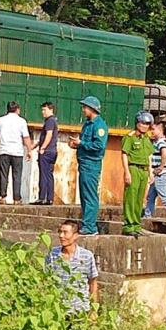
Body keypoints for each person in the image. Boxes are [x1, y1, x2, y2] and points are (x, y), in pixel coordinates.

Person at [68, 96, 108, 236]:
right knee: (84, 195)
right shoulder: (88, 124)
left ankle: (90, 226)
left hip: (91, 164)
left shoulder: (99, 126)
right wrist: (76, 145)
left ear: (92, 109)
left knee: (90, 195)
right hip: (84, 163)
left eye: (85, 107)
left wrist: (81, 144)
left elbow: (99, 145)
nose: (83, 110)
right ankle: (87, 223)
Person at [45, 219, 99, 313]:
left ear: (75, 236)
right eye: (60, 232)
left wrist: (93, 311)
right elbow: (45, 280)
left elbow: (93, 283)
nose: (61, 236)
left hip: (80, 310)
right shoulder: (53, 254)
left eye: (65, 233)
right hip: (58, 310)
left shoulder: (86, 256)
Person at [121, 111, 155, 237]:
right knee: (131, 197)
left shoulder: (146, 138)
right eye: (143, 123)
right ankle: (129, 225)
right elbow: (124, 154)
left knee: (140, 199)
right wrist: (127, 172)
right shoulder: (130, 137)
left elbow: (149, 155)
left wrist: (150, 172)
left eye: (147, 124)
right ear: (137, 123)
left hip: (144, 169)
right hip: (133, 168)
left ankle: (136, 224)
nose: (145, 126)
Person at [0, 102, 32, 205]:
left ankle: (3, 197)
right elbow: (26, 137)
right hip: (17, 152)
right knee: (17, 175)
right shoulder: (22, 121)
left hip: (4, 151)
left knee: (3, 175)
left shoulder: (0, 120)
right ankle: (16, 198)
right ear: (17, 110)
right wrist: (29, 150)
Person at [31, 102, 58, 206]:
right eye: (42, 110)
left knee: (44, 174)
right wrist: (35, 145)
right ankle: (49, 198)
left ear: (51, 110)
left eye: (45, 110)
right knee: (49, 174)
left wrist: (42, 148)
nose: (43, 112)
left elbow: (49, 135)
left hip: (47, 152)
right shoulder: (52, 121)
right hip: (52, 151)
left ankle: (42, 197)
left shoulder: (49, 121)